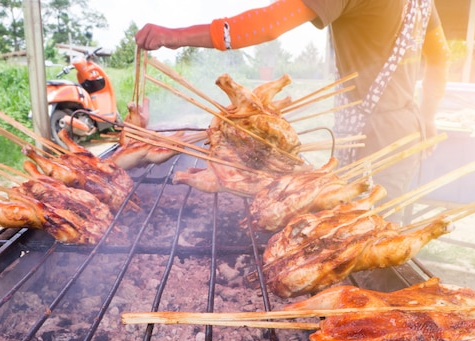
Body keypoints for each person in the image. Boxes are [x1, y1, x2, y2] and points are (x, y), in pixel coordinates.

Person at [136, 0, 450, 205]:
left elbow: (267, 24)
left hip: (373, 134)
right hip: (406, 127)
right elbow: (441, 57)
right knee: (374, 223)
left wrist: (175, 36)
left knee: (359, 236)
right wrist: (429, 115)